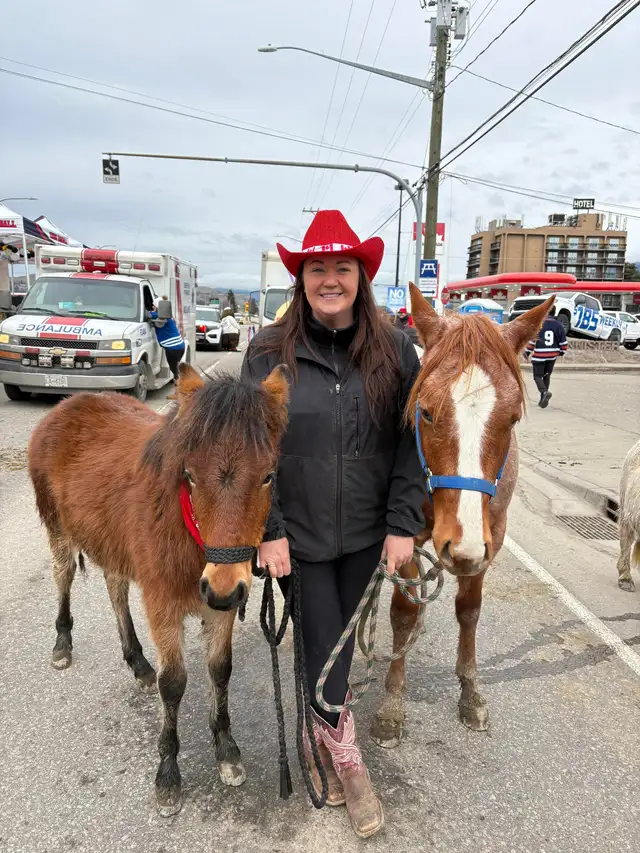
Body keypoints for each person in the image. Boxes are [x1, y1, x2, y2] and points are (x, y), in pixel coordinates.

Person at [241, 210, 425, 839]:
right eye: (316, 268)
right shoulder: (269, 350)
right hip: (302, 536)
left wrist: (403, 524)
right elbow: (248, 452)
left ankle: (320, 726)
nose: (329, 279)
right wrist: (268, 529)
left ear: (361, 275)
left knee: (335, 646)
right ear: (301, 277)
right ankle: (348, 763)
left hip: (372, 534)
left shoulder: (396, 349)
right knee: (323, 644)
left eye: (341, 268)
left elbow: (412, 446)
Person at [524, 303, 568, 407]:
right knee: (546, 376)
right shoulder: (558, 325)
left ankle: (544, 392)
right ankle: (543, 397)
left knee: (537, 376)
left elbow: (532, 341)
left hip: (539, 356)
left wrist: (527, 352)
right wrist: (562, 351)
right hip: (552, 356)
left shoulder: (538, 324)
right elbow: (563, 342)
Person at [149, 296, 185, 383]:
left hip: (173, 349)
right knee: (176, 370)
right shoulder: (167, 316)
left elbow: (148, 315)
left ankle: (179, 391)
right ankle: (181, 388)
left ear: (158, 307)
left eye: (153, 306)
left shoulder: (161, 316)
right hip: (179, 347)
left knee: (175, 371)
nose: (152, 307)